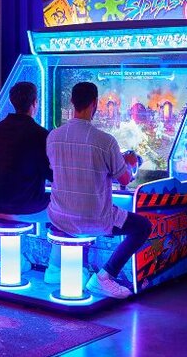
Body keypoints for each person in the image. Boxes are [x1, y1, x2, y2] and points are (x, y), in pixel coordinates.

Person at [46, 81, 152, 299]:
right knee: (142, 227)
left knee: (79, 216)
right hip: (94, 218)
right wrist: (131, 163)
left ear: (72, 102)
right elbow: (124, 178)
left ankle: (65, 269)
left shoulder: (53, 136)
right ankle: (104, 277)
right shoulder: (105, 141)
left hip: (59, 216)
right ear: (95, 103)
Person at [0, 82, 52, 222]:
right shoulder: (40, 134)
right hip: (25, 207)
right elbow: (51, 174)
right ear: (35, 102)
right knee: (67, 208)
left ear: (11, 101)